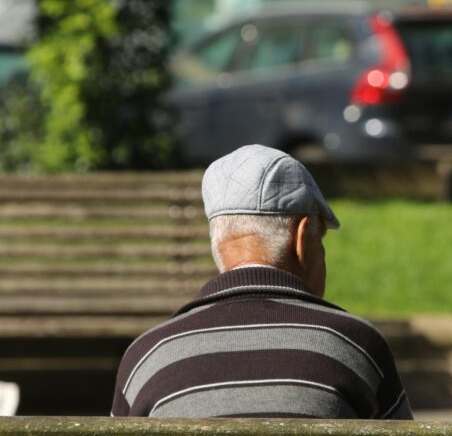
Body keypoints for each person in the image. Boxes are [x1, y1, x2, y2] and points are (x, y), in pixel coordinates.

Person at [111, 144, 413, 419]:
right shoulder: (356, 348)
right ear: (301, 239)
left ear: (218, 239)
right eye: (321, 240)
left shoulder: (146, 358)